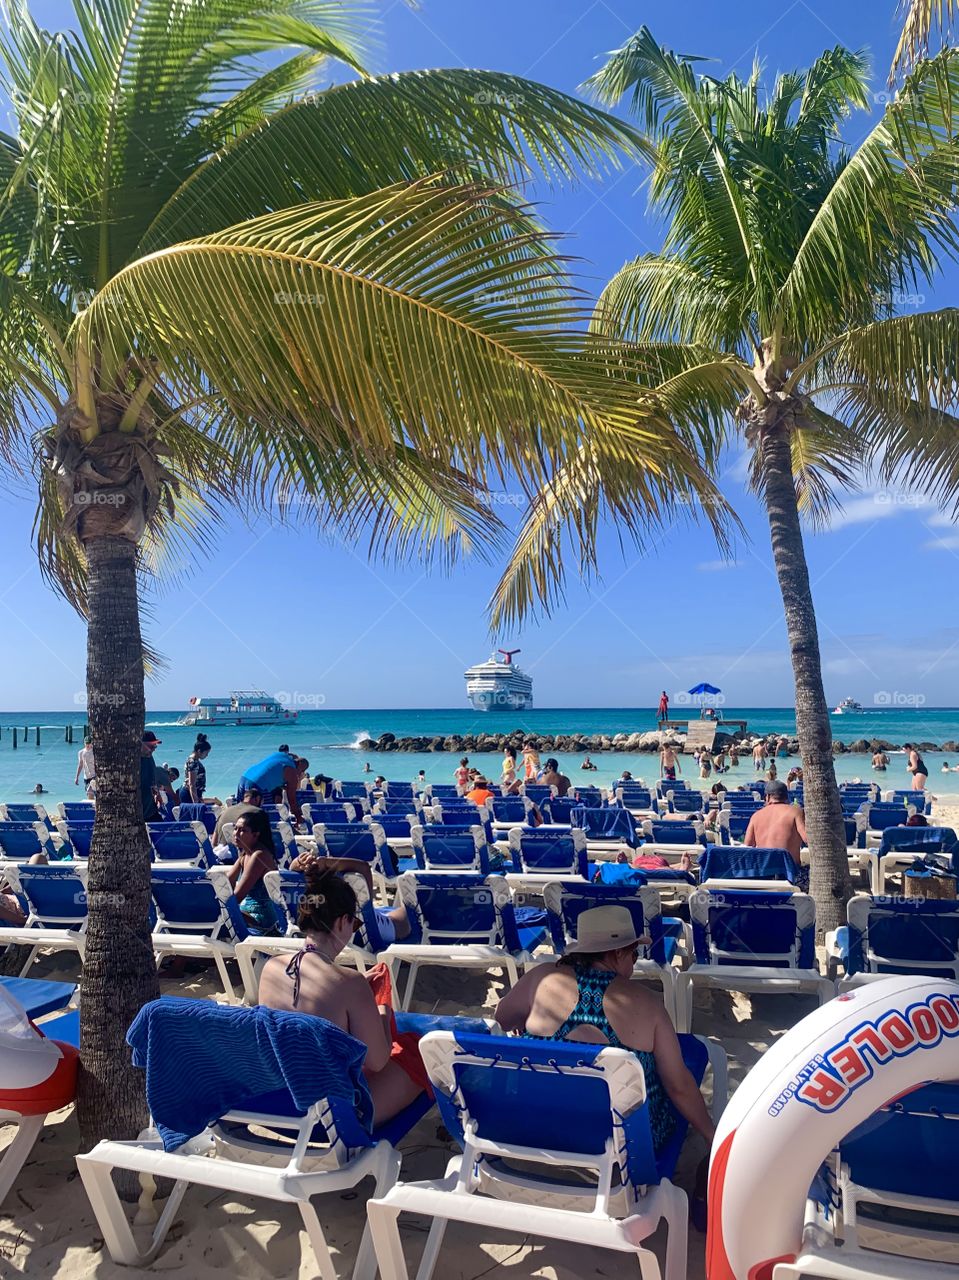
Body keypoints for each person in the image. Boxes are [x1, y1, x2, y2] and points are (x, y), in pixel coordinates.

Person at [494, 905, 714, 1155]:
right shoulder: (648, 1003)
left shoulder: (541, 977)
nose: (634, 962)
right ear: (619, 953)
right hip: (622, 1145)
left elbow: (501, 1019)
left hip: (538, 1128)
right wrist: (709, 1133)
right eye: (633, 955)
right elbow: (678, 1086)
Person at [258, 866, 426, 1124]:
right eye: (354, 923)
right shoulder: (350, 984)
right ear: (341, 922)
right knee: (416, 1054)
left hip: (280, 1099)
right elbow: (377, 1061)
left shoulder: (271, 968)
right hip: (333, 1113)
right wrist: (380, 1008)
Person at [224, 809, 279, 935]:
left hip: (260, 921)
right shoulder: (245, 854)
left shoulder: (259, 856)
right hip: (246, 914)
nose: (236, 834)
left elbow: (237, 897)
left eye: (242, 830)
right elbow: (227, 882)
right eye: (235, 828)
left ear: (256, 834)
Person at [744, 781, 807, 877]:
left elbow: (748, 845)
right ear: (786, 797)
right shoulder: (796, 811)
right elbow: (807, 838)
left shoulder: (756, 816)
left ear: (768, 797)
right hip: (789, 873)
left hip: (763, 873)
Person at [236, 749, 308, 825]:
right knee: (266, 817)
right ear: (300, 765)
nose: (302, 773)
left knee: (240, 812)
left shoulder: (280, 755)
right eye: (303, 770)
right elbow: (292, 800)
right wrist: (298, 817)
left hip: (245, 778)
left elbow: (272, 771)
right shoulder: (291, 772)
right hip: (259, 785)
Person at [180, 733, 214, 805]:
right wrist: (195, 802)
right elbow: (192, 784)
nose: (207, 755)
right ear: (199, 751)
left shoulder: (193, 760)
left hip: (192, 793)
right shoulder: (193, 762)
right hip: (189, 794)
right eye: (206, 753)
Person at [140, 731, 161, 821]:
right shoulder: (133, 762)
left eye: (154, 746)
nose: (153, 749)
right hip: (139, 812)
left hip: (151, 809)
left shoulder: (149, 758)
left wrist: (157, 793)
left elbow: (152, 778)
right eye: (151, 746)